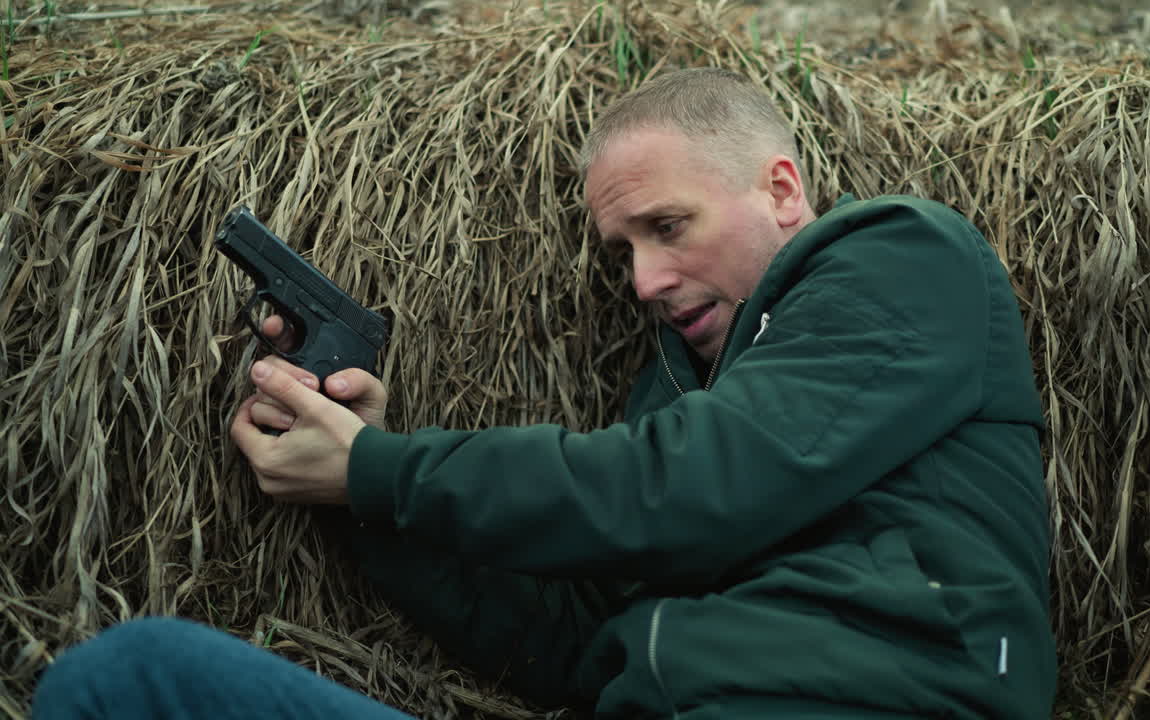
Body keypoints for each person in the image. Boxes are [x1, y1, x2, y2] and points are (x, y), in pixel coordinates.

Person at [32, 68, 1056, 719]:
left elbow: (691, 487)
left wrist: (387, 467)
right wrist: (359, 488)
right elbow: (566, 642)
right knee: (125, 677)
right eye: (620, 253)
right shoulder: (669, 397)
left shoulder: (900, 256)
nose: (644, 284)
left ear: (780, 189)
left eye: (667, 227)